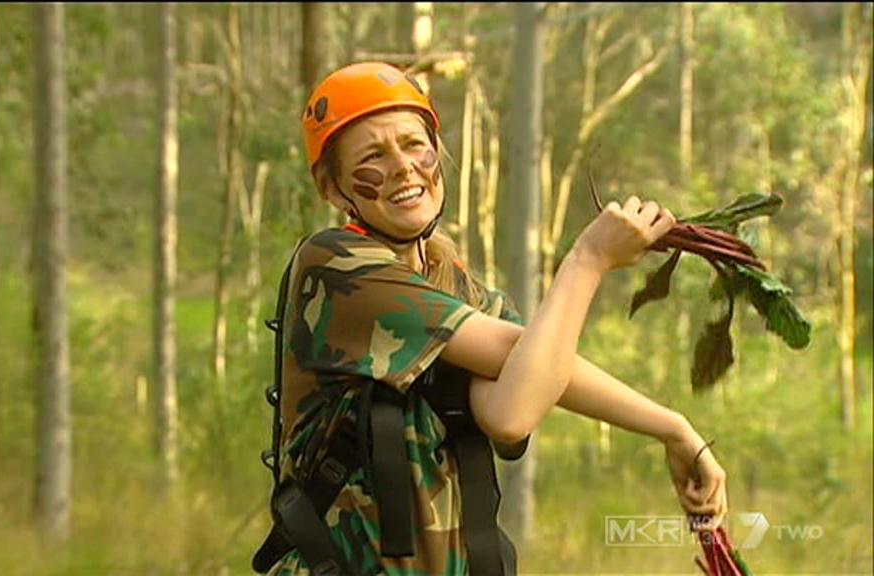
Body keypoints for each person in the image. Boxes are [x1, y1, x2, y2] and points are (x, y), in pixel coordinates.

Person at [253, 61, 728, 576]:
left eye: (414, 145)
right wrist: (588, 259)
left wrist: (673, 428)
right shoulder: (337, 266)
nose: (403, 167)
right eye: (373, 157)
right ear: (333, 189)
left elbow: (521, 388)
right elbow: (515, 398)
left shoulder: (453, 285)